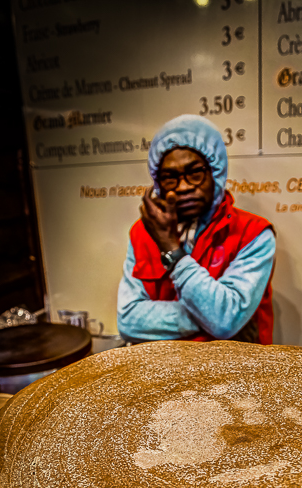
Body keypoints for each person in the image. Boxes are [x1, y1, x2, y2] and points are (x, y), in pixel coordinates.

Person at [117, 114, 276, 344]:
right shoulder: (142, 232)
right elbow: (129, 321)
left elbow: (224, 321)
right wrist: (208, 317)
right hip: (164, 372)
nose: (183, 187)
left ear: (216, 172)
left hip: (233, 372)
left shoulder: (254, 234)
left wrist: (173, 251)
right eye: (170, 177)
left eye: (195, 173)